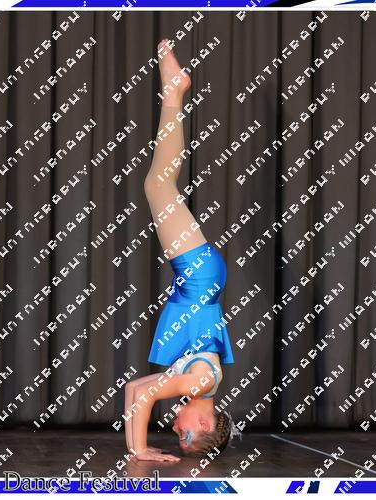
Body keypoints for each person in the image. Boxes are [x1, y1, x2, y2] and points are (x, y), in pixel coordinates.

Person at [123, 39, 240, 463]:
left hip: (199, 278)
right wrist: (140, 450)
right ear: (206, 425)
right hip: (197, 278)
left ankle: (173, 91)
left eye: (176, 439)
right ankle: (174, 90)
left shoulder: (198, 384)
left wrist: (136, 447)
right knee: (158, 185)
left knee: (157, 183)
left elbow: (135, 390)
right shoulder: (196, 384)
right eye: (185, 436)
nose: (176, 429)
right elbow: (146, 399)